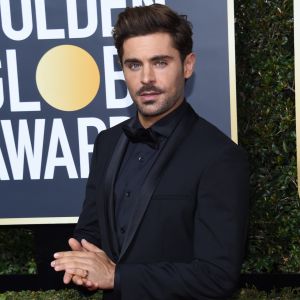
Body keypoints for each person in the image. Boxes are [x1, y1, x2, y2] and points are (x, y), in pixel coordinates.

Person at [51, 4, 249, 300]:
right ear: (123, 69)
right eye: (134, 65)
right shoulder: (107, 142)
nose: (146, 78)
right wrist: (82, 265)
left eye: (159, 62)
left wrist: (116, 277)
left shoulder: (220, 157)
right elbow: (92, 230)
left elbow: (217, 277)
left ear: (188, 65)